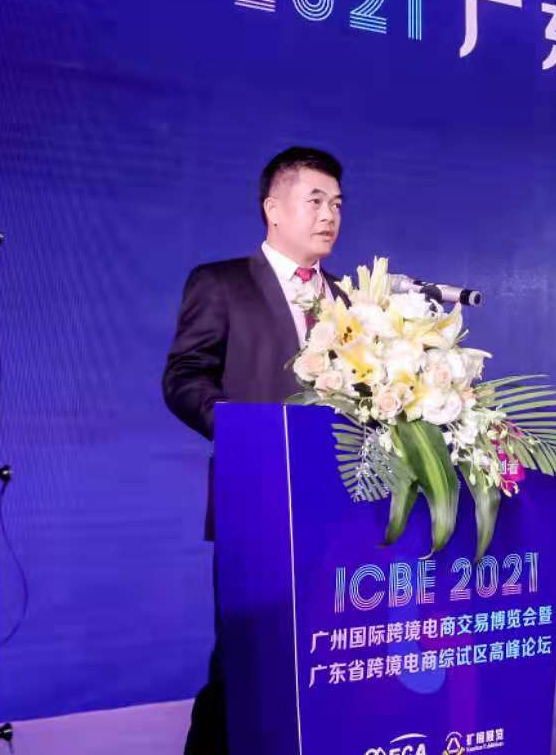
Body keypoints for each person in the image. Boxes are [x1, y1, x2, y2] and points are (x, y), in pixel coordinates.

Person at [163, 146, 345, 755]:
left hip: (340, 508)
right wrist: (243, 433)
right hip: (258, 499)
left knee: (326, 651)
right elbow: (184, 377)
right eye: (314, 200)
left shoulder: (352, 300)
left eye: (336, 203)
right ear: (273, 208)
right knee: (245, 660)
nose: (329, 215)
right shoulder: (222, 283)